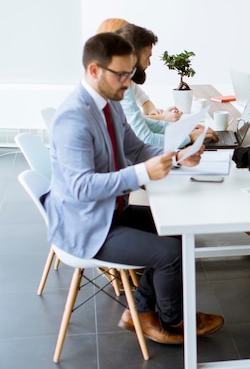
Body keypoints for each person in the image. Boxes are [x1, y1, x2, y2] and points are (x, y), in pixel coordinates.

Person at [44, 32, 224, 344]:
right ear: (94, 71)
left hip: (111, 211)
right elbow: (81, 187)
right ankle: (172, 321)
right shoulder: (73, 117)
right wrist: (142, 173)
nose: (128, 83)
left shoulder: (110, 103)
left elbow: (138, 149)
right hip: (86, 227)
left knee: (180, 230)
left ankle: (140, 312)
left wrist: (177, 156)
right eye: (122, 75)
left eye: (130, 74)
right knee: (170, 253)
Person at [109, 22, 217, 147]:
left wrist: (184, 129)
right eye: (147, 57)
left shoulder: (123, 82)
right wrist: (189, 137)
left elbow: (144, 123)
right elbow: (146, 139)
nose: (149, 64)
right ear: (133, 57)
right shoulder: (121, 86)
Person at [97, 17, 181, 123]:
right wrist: (161, 118)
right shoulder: (114, 85)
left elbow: (144, 102)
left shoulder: (127, 80)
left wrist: (155, 113)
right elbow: (131, 124)